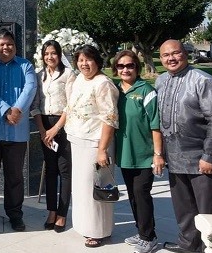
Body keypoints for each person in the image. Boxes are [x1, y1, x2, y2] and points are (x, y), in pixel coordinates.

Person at [156, 40, 212, 253]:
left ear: (185, 54)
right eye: (165, 55)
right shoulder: (161, 81)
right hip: (174, 157)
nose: (171, 58)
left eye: (175, 53)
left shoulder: (203, 81)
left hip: (200, 157)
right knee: (184, 208)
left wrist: (209, 155)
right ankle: (189, 245)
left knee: (208, 209)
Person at [0, 29, 36, 232]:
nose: (5, 48)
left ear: (15, 46)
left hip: (17, 132)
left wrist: (17, 110)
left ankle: (15, 214)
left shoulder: (25, 65)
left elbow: (30, 88)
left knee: (15, 176)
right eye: (1, 44)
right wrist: (5, 110)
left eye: (9, 44)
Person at [62, 44, 118, 248]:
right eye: (80, 60)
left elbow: (109, 118)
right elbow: (69, 107)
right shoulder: (78, 79)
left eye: (88, 59)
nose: (84, 64)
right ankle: (85, 226)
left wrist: (102, 149)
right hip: (78, 141)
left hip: (95, 144)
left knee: (97, 187)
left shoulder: (103, 83)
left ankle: (98, 231)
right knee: (82, 189)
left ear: (97, 61)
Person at [113, 50, 164, 253]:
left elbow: (155, 125)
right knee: (133, 195)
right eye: (121, 66)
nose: (125, 69)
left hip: (144, 155)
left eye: (130, 65)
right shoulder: (115, 91)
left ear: (137, 68)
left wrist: (158, 154)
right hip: (125, 154)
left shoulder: (146, 90)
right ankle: (141, 231)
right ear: (116, 69)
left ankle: (149, 237)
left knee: (142, 194)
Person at [31, 40, 75, 234]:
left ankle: (62, 214)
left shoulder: (68, 75)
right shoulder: (39, 75)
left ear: (59, 55)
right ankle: (51, 211)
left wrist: (56, 129)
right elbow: (36, 104)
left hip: (63, 125)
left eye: (53, 53)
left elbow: (70, 105)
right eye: (46, 53)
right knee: (50, 170)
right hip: (44, 125)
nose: (50, 57)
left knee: (64, 170)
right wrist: (43, 131)